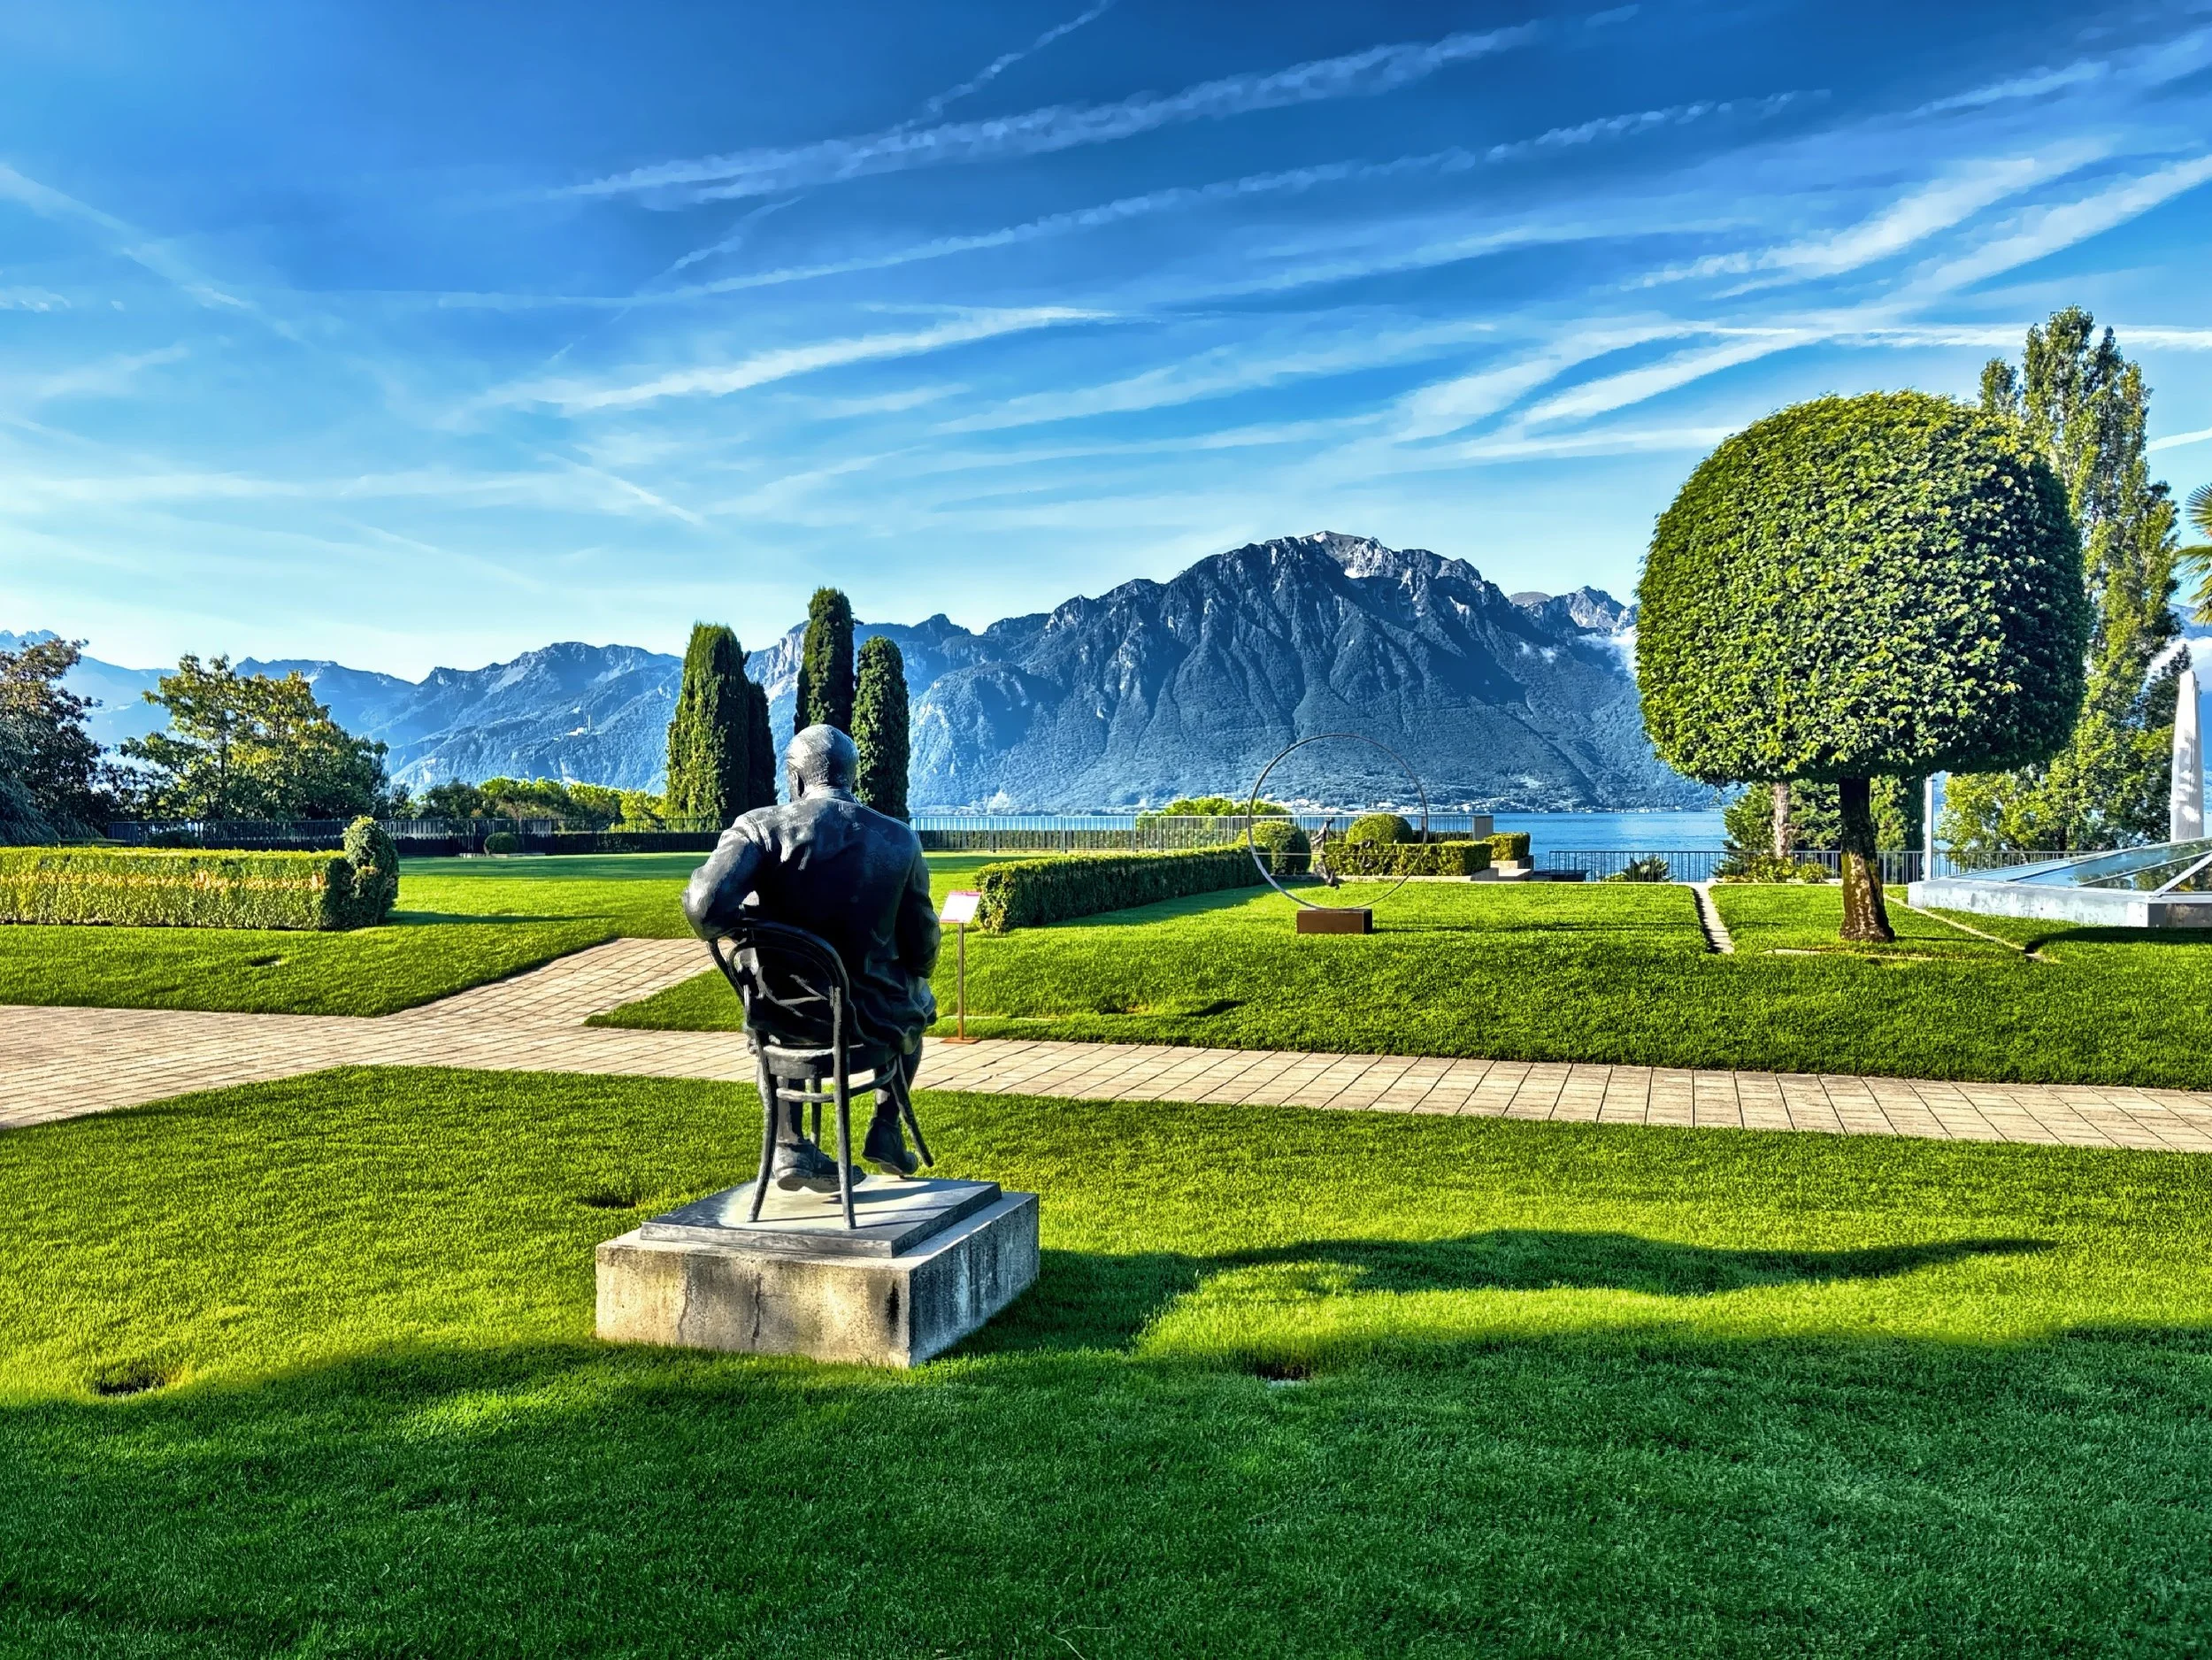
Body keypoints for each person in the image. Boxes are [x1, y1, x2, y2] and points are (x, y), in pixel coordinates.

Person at [682, 725, 940, 1189]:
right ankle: (886, 1124)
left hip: (783, 1014)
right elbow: (923, 946)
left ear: (796, 777)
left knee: (771, 1004)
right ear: (850, 777)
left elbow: (705, 908)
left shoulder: (759, 828)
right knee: (921, 1000)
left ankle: (788, 1141)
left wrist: (752, 926)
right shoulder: (899, 840)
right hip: (871, 1020)